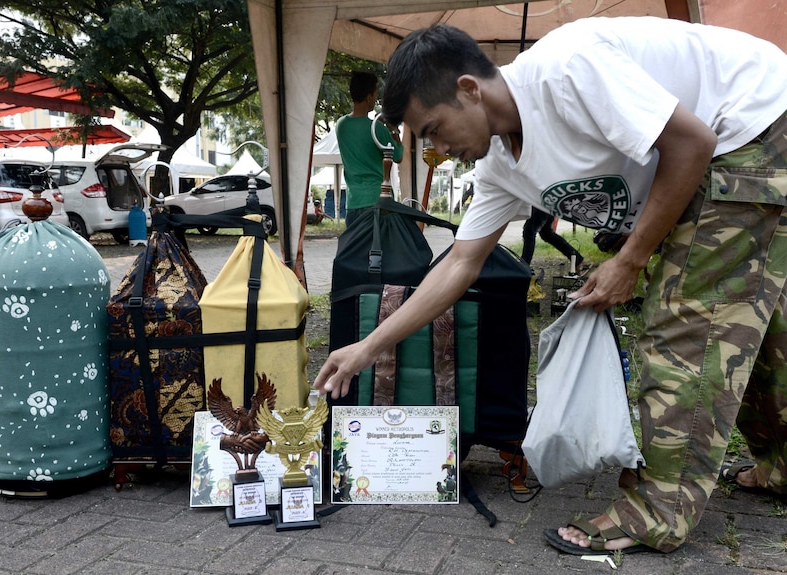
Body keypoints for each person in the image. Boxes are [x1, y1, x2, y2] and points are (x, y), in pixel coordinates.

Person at [313, 18, 787, 556]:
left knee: (688, 324)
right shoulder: (495, 165)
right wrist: (367, 348)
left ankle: (656, 511)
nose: (437, 150)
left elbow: (692, 142)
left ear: (469, 89)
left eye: (434, 130)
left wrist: (631, 260)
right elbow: (459, 265)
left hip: (753, 125)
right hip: (727, 144)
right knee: (753, 322)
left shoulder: (568, 70)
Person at [336, 71, 404, 227]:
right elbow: (398, 155)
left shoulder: (341, 125)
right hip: (378, 199)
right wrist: (393, 129)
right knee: (381, 250)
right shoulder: (377, 129)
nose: (375, 99)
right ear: (368, 98)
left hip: (353, 202)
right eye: (375, 95)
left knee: (357, 250)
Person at [521, 206, 584, 274]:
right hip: (548, 204)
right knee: (547, 234)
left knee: (529, 232)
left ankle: (523, 267)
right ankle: (577, 258)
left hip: (541, 203)